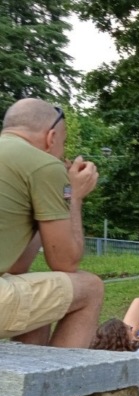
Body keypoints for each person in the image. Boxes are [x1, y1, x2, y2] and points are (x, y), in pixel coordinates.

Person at [0, 98, 104, 348]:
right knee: (91, 288)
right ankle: (60, 375)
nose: (63, 152)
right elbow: (65, 262)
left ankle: (28, 373)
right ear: (51, 137)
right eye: (63, 143)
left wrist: (46, 205)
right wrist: (73, 198)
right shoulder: (43, 163)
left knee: (44, 293)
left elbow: (17, 266)